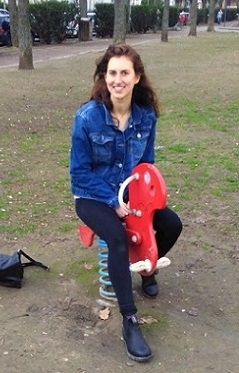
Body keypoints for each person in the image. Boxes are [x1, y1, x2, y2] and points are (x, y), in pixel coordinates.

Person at [70, 44, 182, 362]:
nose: (117, 80)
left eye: (124, 73)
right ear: (104, 77)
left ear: (136, 77)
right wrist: (113, 202)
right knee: (117, 239)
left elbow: (145, 165)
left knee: (171, 224)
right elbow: (79, 175)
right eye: (112, 73)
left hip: (128, 195)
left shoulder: (146, 116)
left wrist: (141, 202)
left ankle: (147, 270)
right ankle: (130, 320)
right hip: (92, 196)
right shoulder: (88, 117)